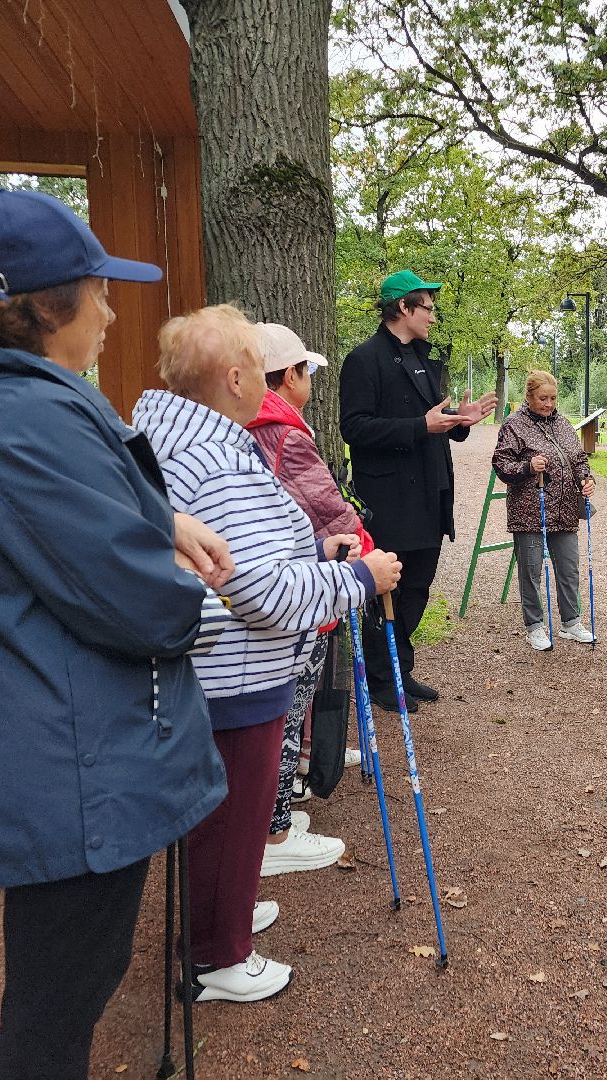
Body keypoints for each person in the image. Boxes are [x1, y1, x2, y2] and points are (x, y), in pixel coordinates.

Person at [0, 190, 230, 1078]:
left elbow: (41, 531)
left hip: (49, 747)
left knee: (65, 985)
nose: (111, 310)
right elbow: (137, 603)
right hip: (73, 769)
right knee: (59, 1004)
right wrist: (191, 592)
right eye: (97, 291)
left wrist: (154, 519)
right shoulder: (18, 418)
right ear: (45, 305)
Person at [133, 305, 402, 1004]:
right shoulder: (215, 456)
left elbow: (243, 556)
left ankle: (220, 914)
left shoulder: (180, 435)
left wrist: (314, 551)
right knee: (233, 808)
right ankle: (218, 956)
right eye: (258, 366)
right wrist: (354, 578)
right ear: (231, 377)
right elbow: (260, 591)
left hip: (213, 662)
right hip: (235, 668)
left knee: (229, 814)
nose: (272, 382)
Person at [339, 270, 496, 710]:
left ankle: (400, 669)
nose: (432, 315)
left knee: (418, 588)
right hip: (391, 501)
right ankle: (380, 679)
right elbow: (354, 428)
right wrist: (419, 426)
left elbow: (434, 421)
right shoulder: (364, 359)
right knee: (387, 589)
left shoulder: (424, 358)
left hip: (430, 494)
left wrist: (459, 421)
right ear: (403, 307)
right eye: (427, 307)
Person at [246, 322, 370, 876]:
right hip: (300, 586)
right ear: (288, 375)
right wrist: (368, 555)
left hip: (278, 582)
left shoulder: (251, 423)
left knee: (283, 711)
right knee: (288, 708)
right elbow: (326, 507)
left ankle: (272, 819)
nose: (311, 381)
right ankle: (273, 832)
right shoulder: (284, 433)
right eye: (308, 371)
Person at [490, 369, 598, 649]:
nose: (549, 404)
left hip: (563, 510)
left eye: (552, 398)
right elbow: (501, 464)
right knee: (531, 571)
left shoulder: (562, 423)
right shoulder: (514, 424)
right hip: (529, 512)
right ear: (529, 396)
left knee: (569, 569)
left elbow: (577, 459)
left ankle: (570, 622)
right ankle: (534, 626)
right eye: (543, 398)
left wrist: (586, 479)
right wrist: (527, 467)